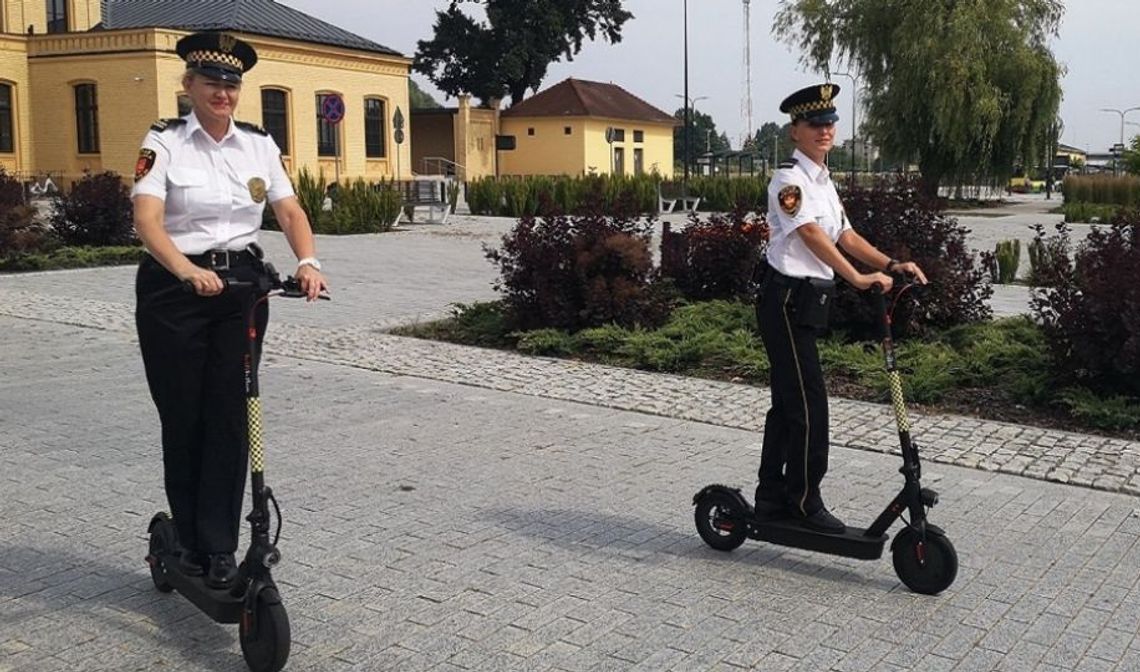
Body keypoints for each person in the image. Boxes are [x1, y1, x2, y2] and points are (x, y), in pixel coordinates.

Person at [132, 31, 328, 588]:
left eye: (231, 84)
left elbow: (287, 209)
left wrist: (309, 260)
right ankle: (188, 542)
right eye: (212, 82)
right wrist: (187, 270)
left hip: (239, 289)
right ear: (189, 84)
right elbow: (148, 219)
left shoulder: (258, 144)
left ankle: (218, 547)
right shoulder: (165, 140)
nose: (223, 92)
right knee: (185, 416)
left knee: (229, 417)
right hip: (174, 292)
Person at [754, 83, 927, 533]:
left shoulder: (825, 184)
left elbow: (844, 236)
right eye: (814, 124)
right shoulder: (787, 182)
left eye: (829, 122)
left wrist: (891, 263)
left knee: (787, 403)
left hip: (807, 302)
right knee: (810, 405)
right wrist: (857, 277)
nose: (824, 130)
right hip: (786, 300)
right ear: (795, 131)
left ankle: (771, 497)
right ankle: (805, 502)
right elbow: (810, 235)